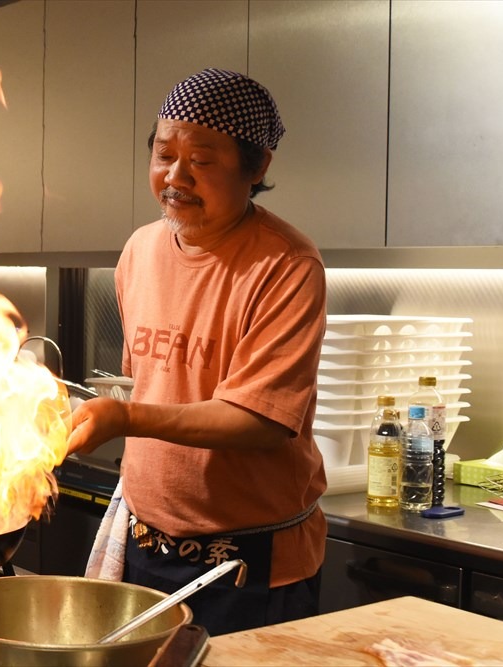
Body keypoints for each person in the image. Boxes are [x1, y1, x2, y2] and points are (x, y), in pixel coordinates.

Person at [67, 67, 327, 636]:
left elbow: (258, 419)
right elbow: (158, 383)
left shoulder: (285, 265)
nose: (174, 177)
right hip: (145, 544)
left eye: (202, 161)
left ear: (256, 167)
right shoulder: (139, 250)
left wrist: (126, 418)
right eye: (163, 155)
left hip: (247, 563)